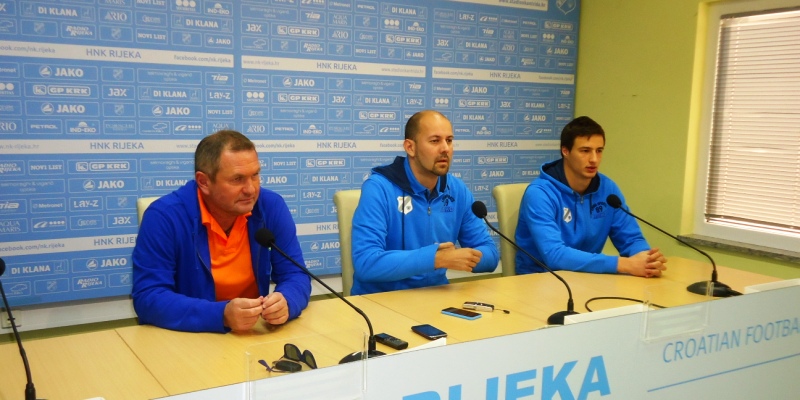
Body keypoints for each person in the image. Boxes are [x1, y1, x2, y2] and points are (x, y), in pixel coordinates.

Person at [132, 130, 311, 333]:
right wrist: (221, 315)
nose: (251, 189)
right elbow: (148, 297)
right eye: (237, 179)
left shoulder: (270, 206)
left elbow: (296, 274)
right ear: (203, 182)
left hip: (251, 333)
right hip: (189, 336)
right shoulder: (164, 217)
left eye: (255, 175)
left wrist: (287, 301)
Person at [350, 110, 499, 295]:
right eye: (435, 141)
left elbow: (491, 255)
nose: (445, 149)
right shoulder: (379, 187)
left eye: (449, 140)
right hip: (380, 299)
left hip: (435, 296)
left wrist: (463, 257)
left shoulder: (456, 189)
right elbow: (366, 263)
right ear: (410, 147)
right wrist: (436, 259)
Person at [515, 116, 667, 277]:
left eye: (599, 151)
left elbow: (631, 239)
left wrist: (646, 260)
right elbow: (555, 255)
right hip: (540, 280)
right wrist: (623, 264)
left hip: (588, 277)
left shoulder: (608, 189)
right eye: (585, 151)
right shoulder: (540, 193)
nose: (594, 159)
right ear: (565, 151)